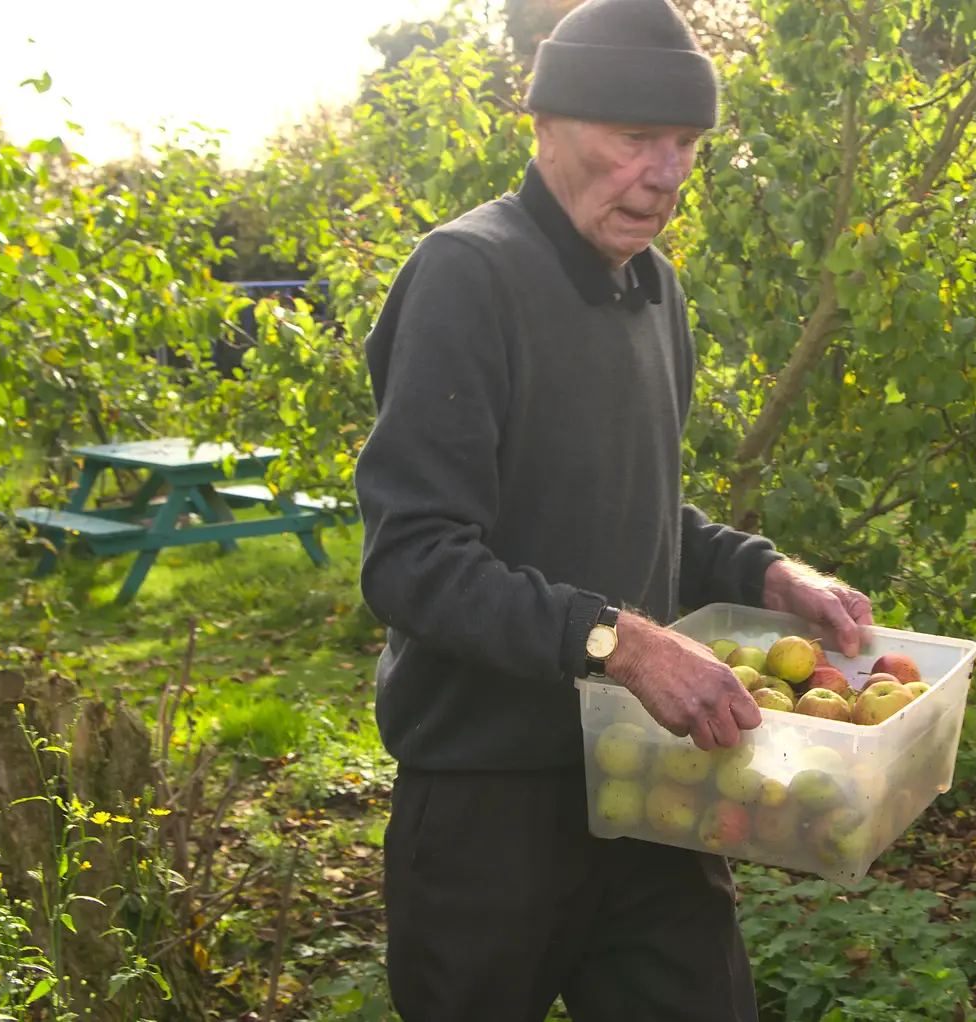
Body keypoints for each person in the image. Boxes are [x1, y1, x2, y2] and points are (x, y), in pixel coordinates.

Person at [352, 0, 875, 1018]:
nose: (667, 172)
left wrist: (761, 573)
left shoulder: (653, 290)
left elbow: (632, 511)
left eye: (685, 143)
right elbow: (413, 559)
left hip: (647, 780)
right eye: (635, 137)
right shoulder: (470, 273)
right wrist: (621, 643)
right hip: (488, 800)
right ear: (545, 128)